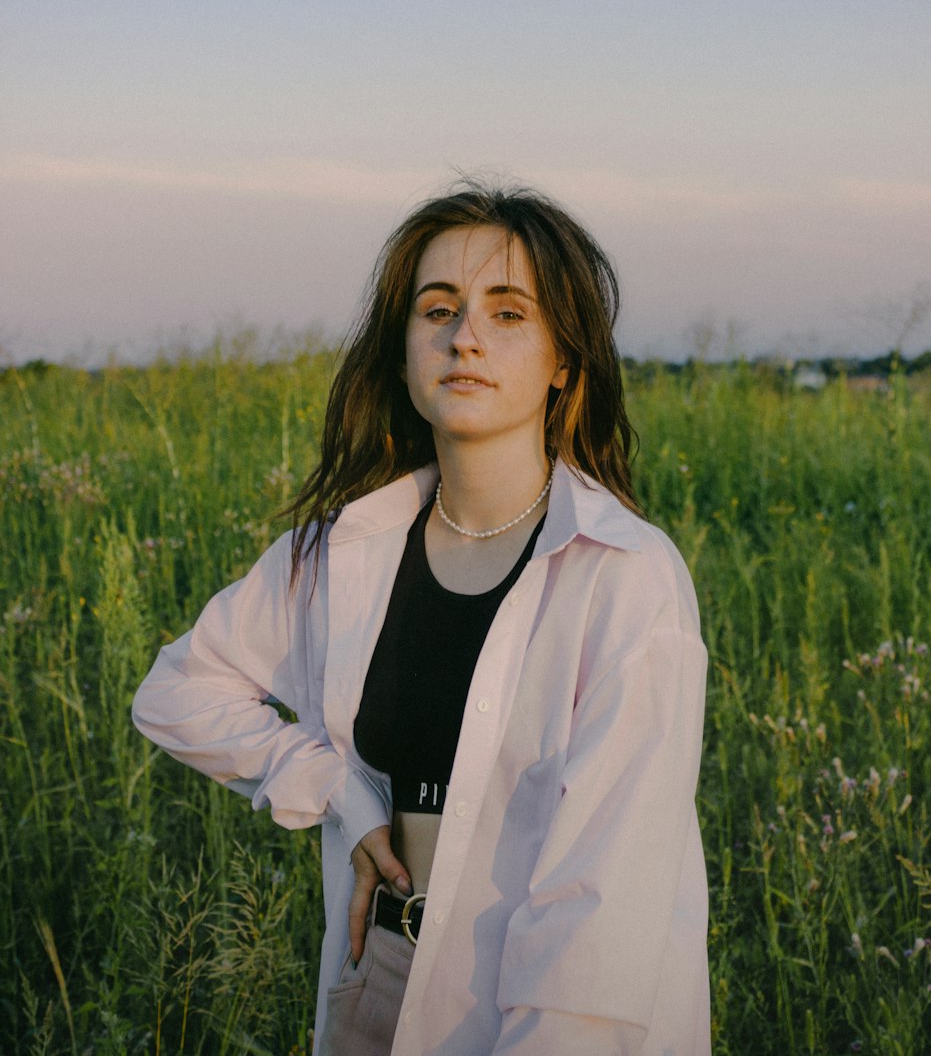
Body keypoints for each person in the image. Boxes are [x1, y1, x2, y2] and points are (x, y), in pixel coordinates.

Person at [132, 180, 710, 1055]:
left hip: (545, 1006)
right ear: (402, 356)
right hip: (380, 972)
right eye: (437, 309)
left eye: (507, 313)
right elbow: (177, 690)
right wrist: (333, 786)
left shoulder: (625, 576)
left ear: (564, 359)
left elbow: (601, 903)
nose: (464, 335)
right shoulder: (343, 553)